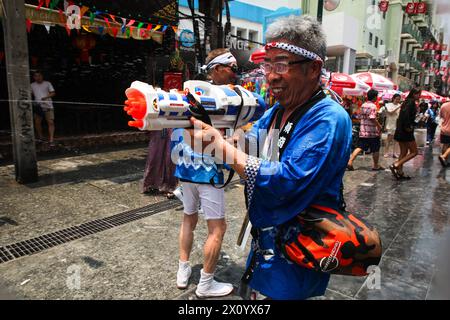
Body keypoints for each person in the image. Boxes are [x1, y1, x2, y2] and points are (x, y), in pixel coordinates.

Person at [187, 15, 352, 300]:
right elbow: (252, 147)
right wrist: (215, 139)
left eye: (282, 64)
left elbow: (287, 179)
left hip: (300, 250)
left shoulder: (328, 118)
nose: (271, 75)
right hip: (265, 241)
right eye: (268, 64)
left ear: (313, 68)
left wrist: (224, 148)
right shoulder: (276, 111)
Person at [173, 48, 237, 298]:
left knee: (189, 218)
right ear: (218, 69)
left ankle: (183, 270)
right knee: (217, 228)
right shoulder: (222, 97)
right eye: (232, 67)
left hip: (185, 167)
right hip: (208, 170)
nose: (235, 72)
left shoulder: (189, 92)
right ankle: (206, 284)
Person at [347, 89, 384, 171]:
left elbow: (360, 117)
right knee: (375, 148)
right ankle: (375, 165)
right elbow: (372, 118)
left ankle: (350, 161)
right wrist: (379, 126)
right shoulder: (373, 106)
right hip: (372, 132)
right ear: (374, 97)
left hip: (363, 131)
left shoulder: (363, 105)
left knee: (360, 147)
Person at [390, 88, 421, 180]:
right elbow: (405, 115)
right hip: (406, 131)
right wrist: (408, 126)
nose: (419, 96)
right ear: (414, 94)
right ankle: (396, 164)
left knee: (404, 151)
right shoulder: (410, 102)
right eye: (418, 94)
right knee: (414, 152)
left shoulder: (407, 102)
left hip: (401, 130)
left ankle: (400, 171)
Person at [142, 129, 178, 198]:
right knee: (154, 157)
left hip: (172, 128)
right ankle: (150, 184)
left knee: (170, 159)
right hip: (157, 129)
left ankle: (169, 187)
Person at [30, 71, 56, 146]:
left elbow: (53, 93)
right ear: (34, 77)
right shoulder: (32, 85)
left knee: (50, 122)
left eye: (39, 76)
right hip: (38, 106)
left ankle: (51, 139)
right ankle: (41, 137)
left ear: (42, 76)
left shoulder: (47, 83)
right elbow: (29, 93)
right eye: (36, 76)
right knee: (37, 123)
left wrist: (46, 97)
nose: (38, 77)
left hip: (48, 105)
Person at [438, 101, 450, 167]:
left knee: (445, 145)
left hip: (444, 128)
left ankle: (444, 161)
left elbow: (441, 116)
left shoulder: (443, 105)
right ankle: (444, 156)